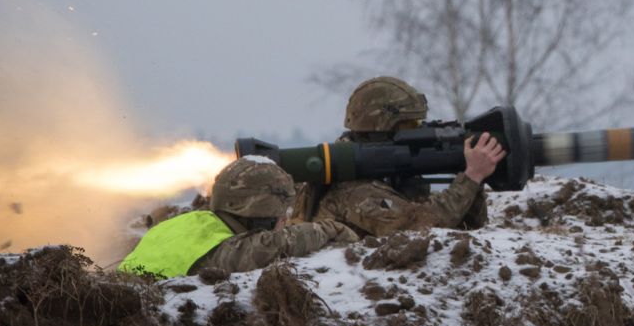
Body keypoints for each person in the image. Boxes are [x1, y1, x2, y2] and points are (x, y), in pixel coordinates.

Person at [291, 76, 506, 237]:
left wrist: (473, 182)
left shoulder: (388, 177)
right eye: (410, 125)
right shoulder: (354, 190)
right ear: (380, 129)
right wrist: (470, 178)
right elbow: (423, 230)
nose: (419, 131)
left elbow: (464, 232)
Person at [118, 157, 358, 278]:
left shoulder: (185, 223)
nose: (284, 220)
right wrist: (330, 230)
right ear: (260, 213)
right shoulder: (224, 249)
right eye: (281, 213)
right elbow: (269, 246)